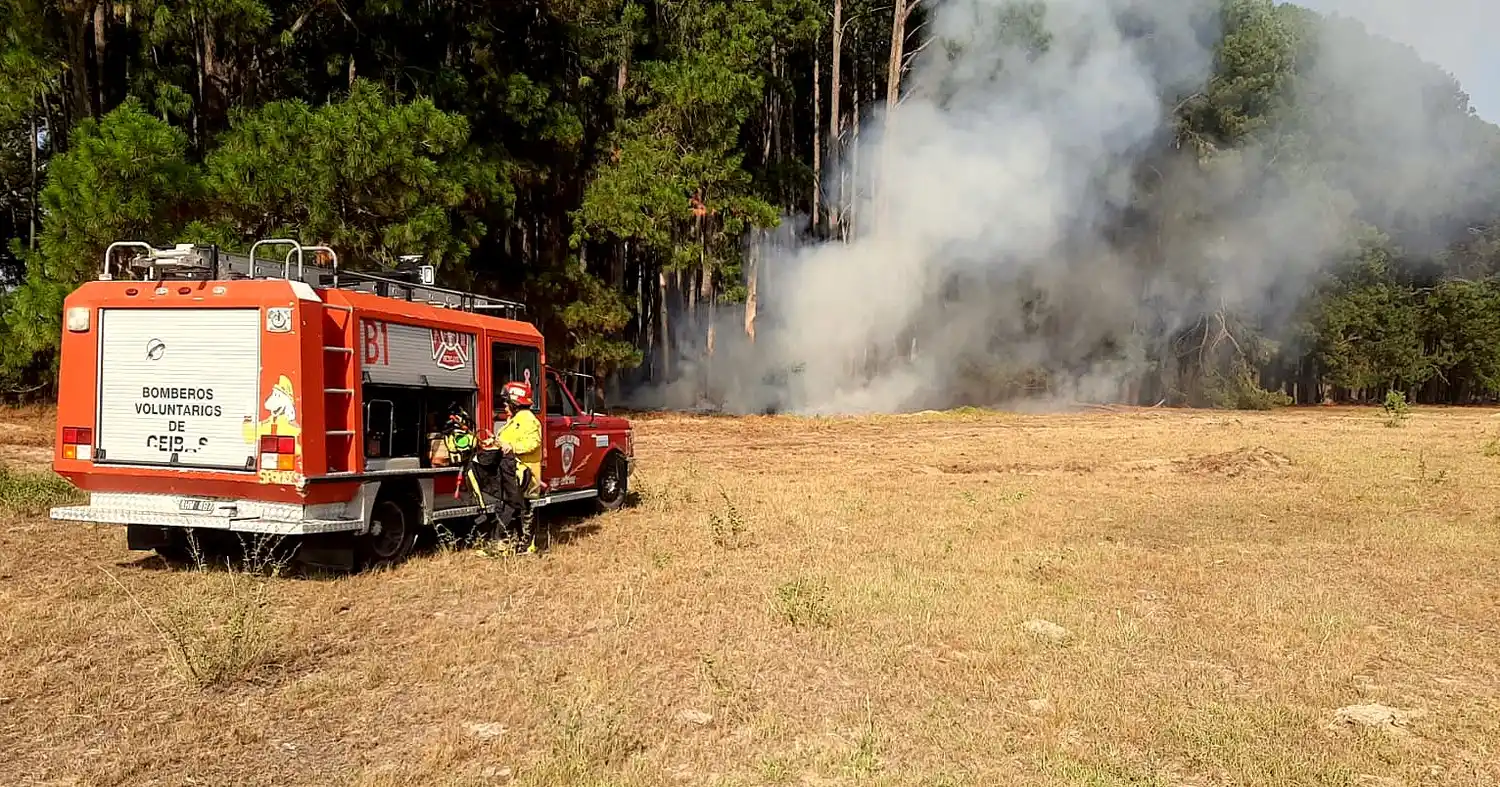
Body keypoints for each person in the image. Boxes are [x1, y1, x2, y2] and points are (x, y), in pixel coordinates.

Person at [496, 380, 543, 553]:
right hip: (513, 473)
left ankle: (527, 546)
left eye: (506, 403)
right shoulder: (515, 420)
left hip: (526, 475)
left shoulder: (528, 420)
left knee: (525, 510)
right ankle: (511, 544)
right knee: (511, 509)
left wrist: (512, 447)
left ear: (515, 403)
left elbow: (533, 443)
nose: (504, 406)